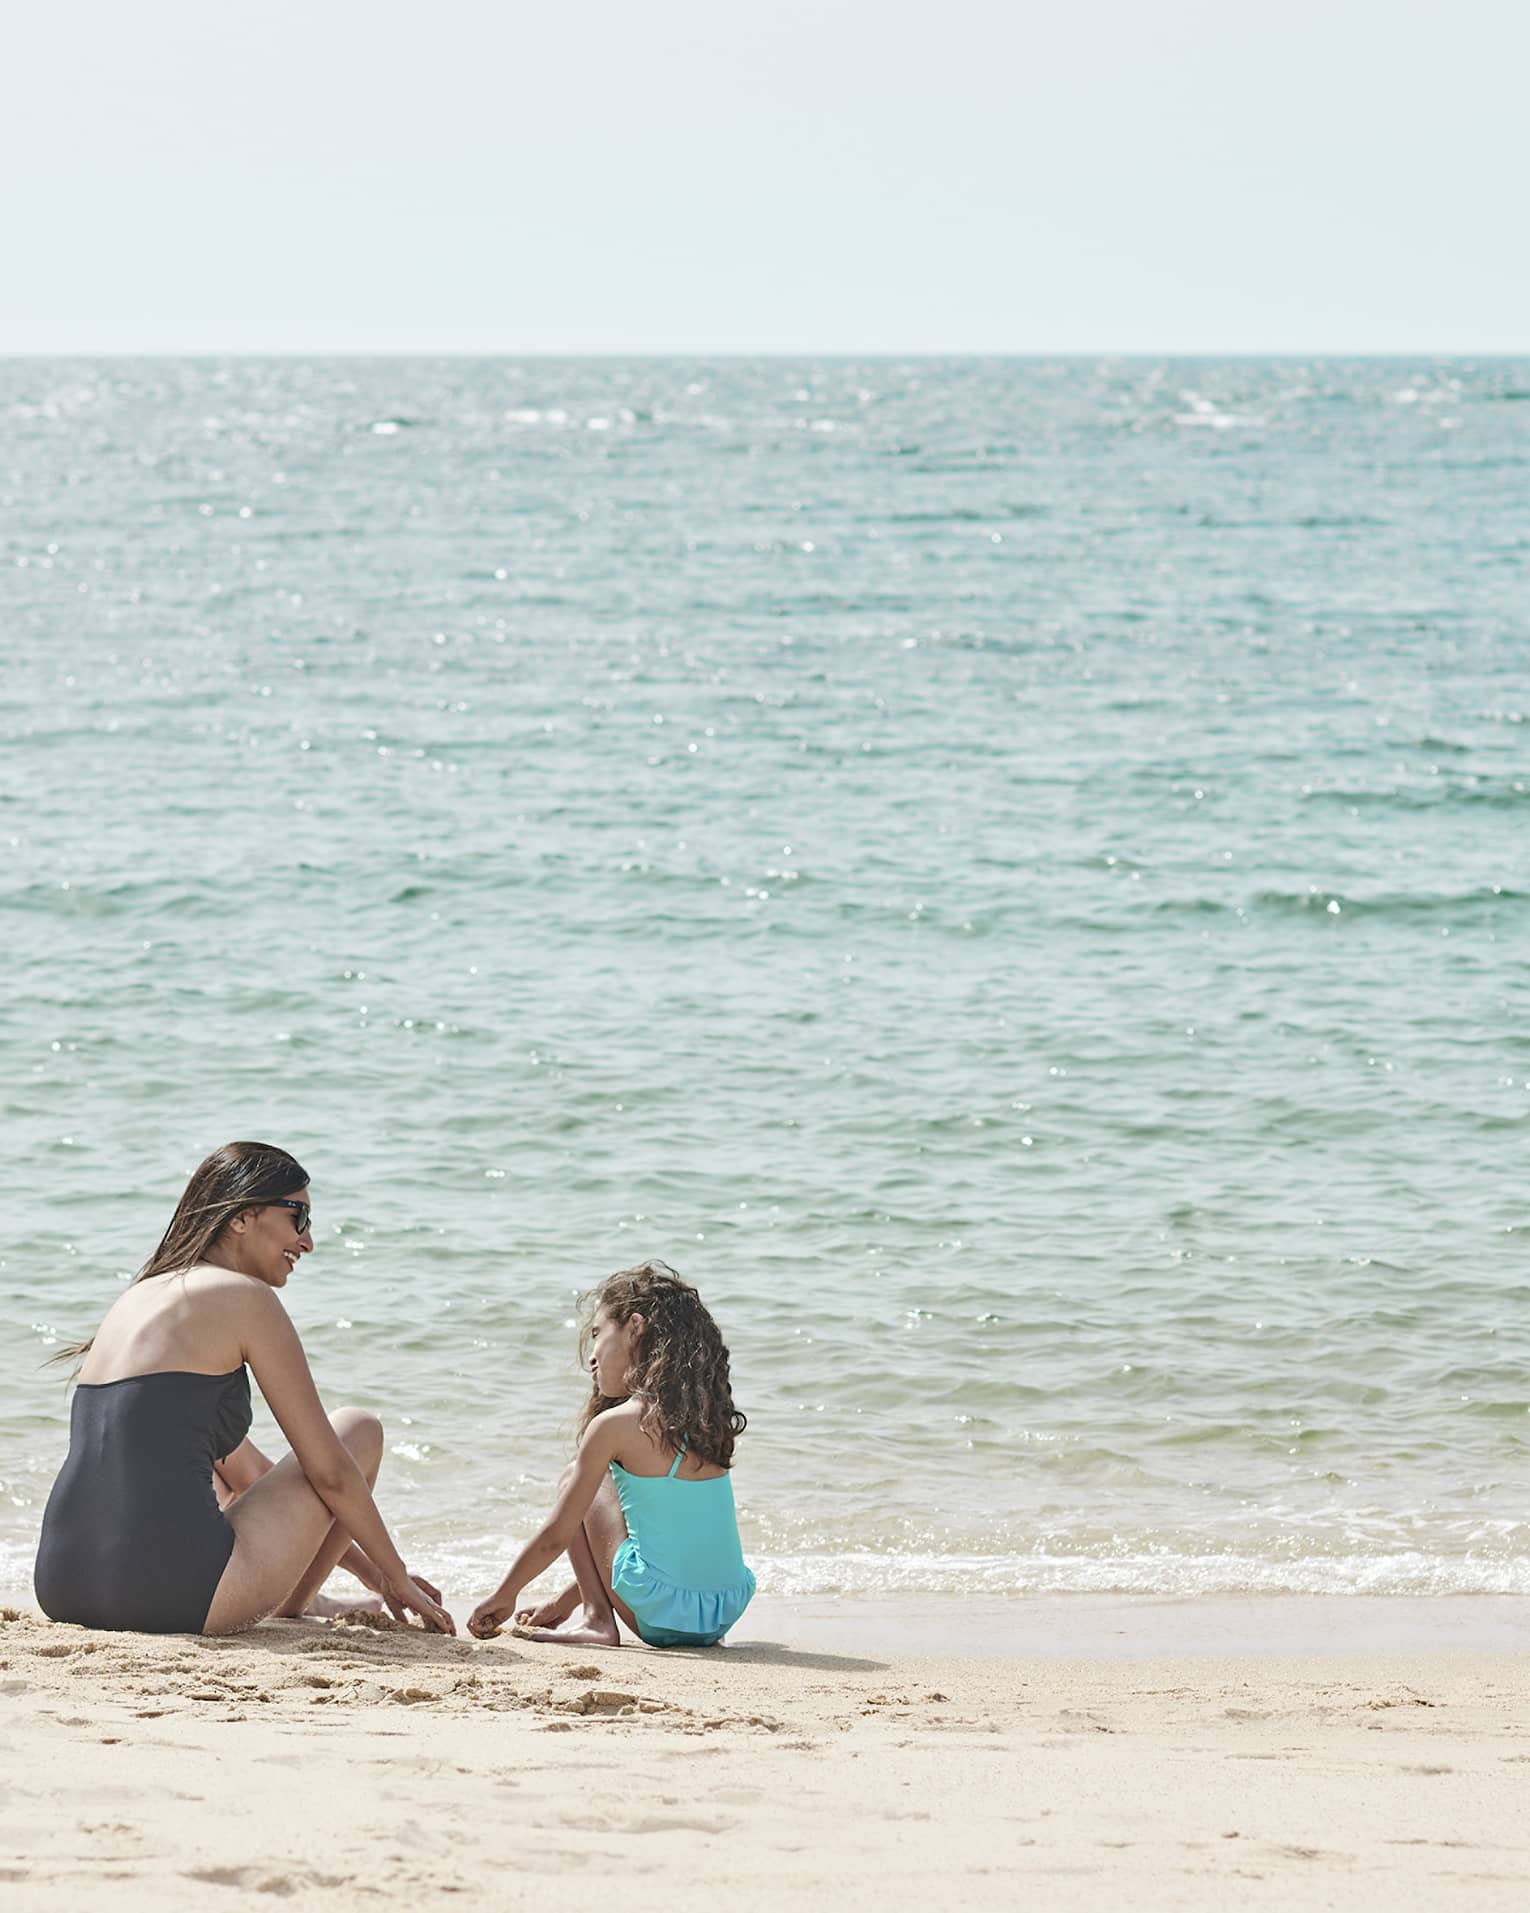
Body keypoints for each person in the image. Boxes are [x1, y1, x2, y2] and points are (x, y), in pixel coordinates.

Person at [34, 1141, 453, 1638]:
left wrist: (373, 1572)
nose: (308, 1241)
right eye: (299, 1217)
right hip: (169, 1596)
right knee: (357, 1429)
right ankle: (290, 1608)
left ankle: (298, 1602)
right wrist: (397, 1575)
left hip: (62, 1586)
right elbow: (331, 1471)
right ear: (242, 1218)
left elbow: (254, 1476)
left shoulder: (140, 1297)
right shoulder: (245, 1298)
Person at [468, 1261, 755, 1649]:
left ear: (634, 1328)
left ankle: (598, 1620)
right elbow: (665, 1546)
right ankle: (587, 1609)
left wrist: (505, 1595)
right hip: (720, 1612)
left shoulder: (618, 1424)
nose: (592, 1356)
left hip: (658, 1614)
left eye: (598, 1333)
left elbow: (558, 1534)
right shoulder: (707, 1418)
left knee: (576, 1477)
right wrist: (559, 1602)